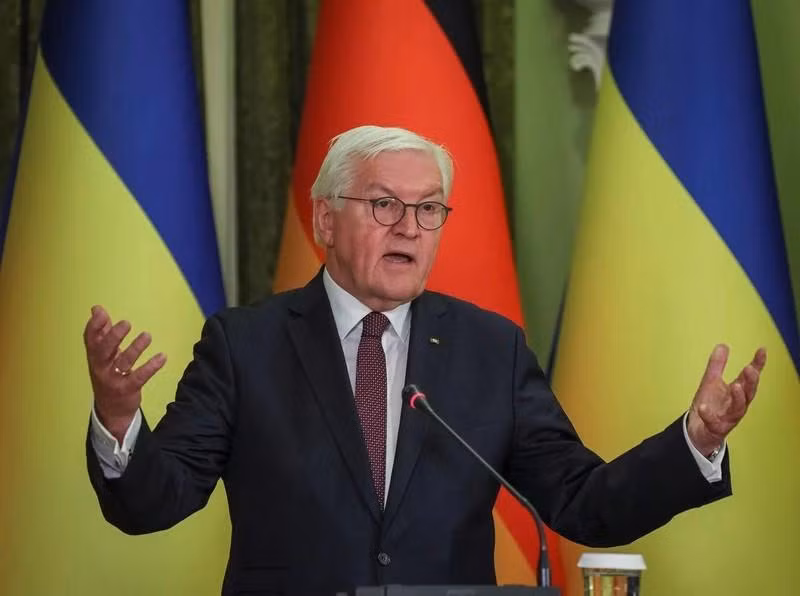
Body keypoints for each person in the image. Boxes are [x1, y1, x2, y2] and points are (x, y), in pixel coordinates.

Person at [84, 125, 766, 595]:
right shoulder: (246, 345)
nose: (410, 227)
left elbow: (583, 504)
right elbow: (153, 501)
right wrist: (119, 419)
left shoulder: (489, 349)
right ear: (325, 221)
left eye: (430, 208)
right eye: (385, 204)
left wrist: (695, 443)